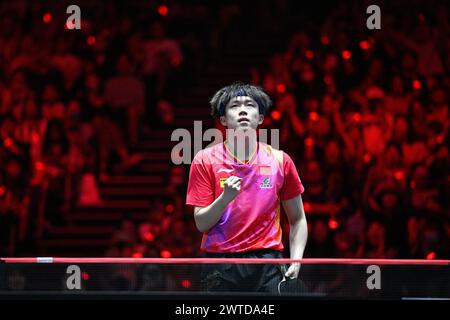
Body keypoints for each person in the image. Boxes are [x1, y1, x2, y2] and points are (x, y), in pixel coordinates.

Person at [186, 82, 308, 293]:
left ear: (260, 118)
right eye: (234, 105)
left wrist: (296, 261)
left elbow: (297, 219)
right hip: (221, 264)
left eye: (250, 105)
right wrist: (225, 198)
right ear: (223, 119)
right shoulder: (204, 160)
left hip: (268, 263)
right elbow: (201, 223)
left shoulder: (280, 161)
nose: (243, 110)